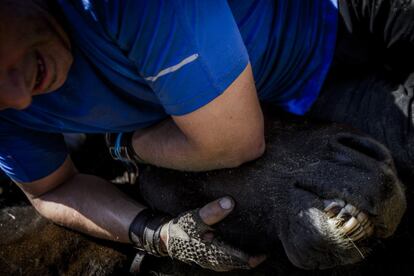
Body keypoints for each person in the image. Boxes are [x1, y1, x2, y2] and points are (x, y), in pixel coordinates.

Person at [0, 0, 413, 272]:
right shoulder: (9, 104)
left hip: (333, 17)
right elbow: (50, 189)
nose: (18, 100)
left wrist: (126, 144)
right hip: (290, 114)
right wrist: (155, 233)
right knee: (167, 190)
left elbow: (235, 142)